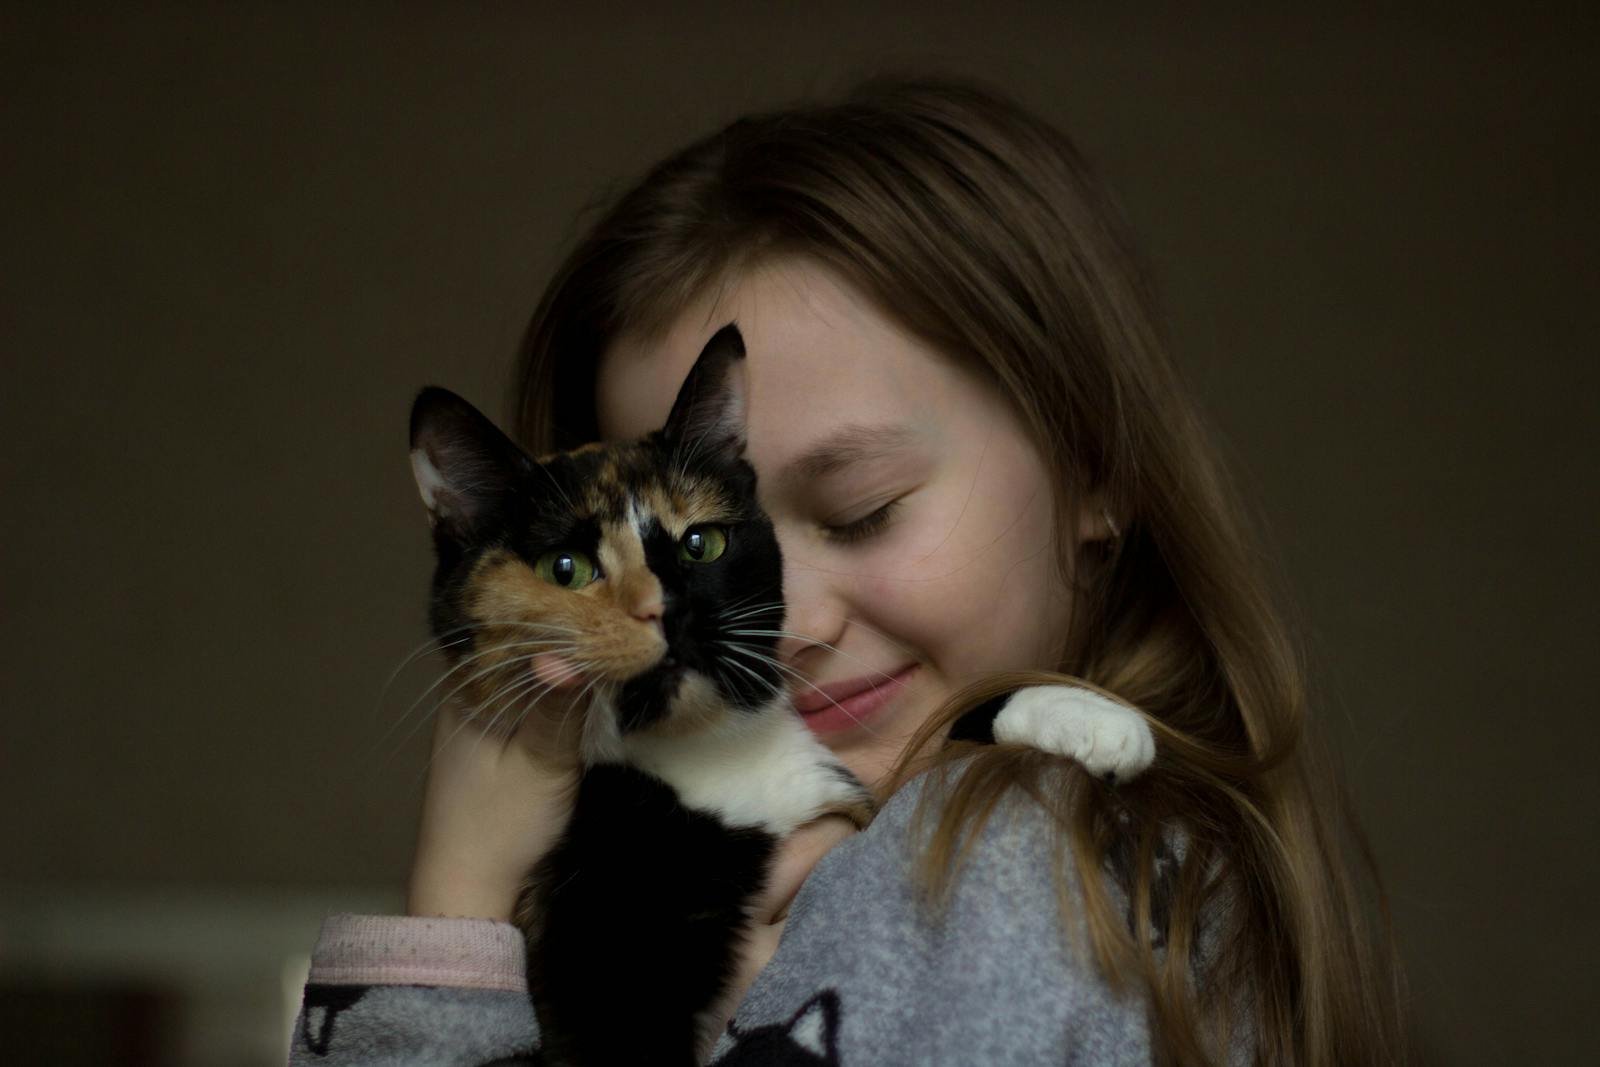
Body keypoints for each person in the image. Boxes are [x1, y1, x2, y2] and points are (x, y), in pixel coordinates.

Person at [291, 78, 1409, 1065]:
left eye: (862, 511)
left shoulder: (1006, 856)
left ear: (1094, 466)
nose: (773, 621)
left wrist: (455, 906)